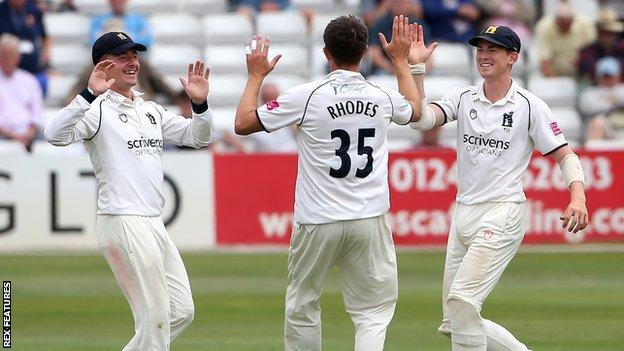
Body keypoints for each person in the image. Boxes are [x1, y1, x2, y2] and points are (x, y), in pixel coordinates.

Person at [235, 15, 423, 350]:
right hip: (369, 218)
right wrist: (400, 61)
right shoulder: (380, 95)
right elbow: (416, 110)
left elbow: (243, 123)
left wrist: (255, 76)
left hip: (318, 219)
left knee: (303, 304)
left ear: (326, 53)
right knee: (372, 311)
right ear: (365, 52)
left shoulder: (307, 95)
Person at [407, 24, 589, 350]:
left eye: (493, 50)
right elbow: (422, 120)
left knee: (463, 301)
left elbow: (565, 155)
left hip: (502, 212)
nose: (484, 56)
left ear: (512, 57)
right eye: (480, 49)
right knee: (454, 320)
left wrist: (577, 196)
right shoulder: (463, 97)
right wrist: (416, 69)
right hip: (463, 213)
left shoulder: (530, 105)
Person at [44, 31, 213, 350]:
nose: (133, 62)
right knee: (156, 318)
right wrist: (87, 95)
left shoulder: (150, 110)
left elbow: (197, 137)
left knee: (181, 311)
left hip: (153, 222)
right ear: (104, 66)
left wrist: (200, 104)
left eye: (135, 56)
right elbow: (53, 134)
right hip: (122, 220)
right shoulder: (96, 110)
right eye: (123, 57)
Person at [0, 32, 42, 151]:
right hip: (3, 135)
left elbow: (37, 113)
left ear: (18, 57)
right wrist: (14, 136)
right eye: (4, 55)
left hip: (30, 136)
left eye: (11, 55)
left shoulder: (29, 80)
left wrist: (29, 134)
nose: (8, 60)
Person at [0, 0, 51, 96]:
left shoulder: (34, 11)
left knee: (41, 82)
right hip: (7, 69)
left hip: (32, 67)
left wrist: (46, 57)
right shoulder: (2, 11)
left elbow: (45, 37)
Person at [534, 1, 595, 77]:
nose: (566, 27)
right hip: (554, 74)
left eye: (568, 23)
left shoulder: (585, 24)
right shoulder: (544, 27)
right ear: (556, 20)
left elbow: (591, 52)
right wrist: (558, 83)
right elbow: (544, 61)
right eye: (562, 24)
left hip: (580, 73)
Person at [577, 7, 624, 85]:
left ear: (615, 33)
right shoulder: (587, 52)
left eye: (609, 33)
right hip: (595, 91)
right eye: (602, 32)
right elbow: (585, 70)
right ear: (598, 32)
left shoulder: (622, 48)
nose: (606, 36)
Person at [246, 82, 297, 153]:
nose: (273, 101)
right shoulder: (255, 118)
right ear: (263, 99)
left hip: (292, 158)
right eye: (268, 98)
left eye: (275, 97)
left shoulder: (291, 115)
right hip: (266, 160)